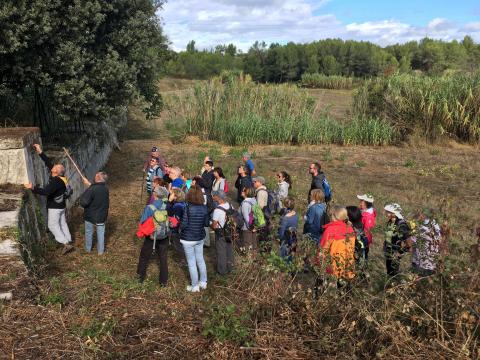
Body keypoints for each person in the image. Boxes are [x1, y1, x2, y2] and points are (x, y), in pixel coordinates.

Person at [24, 143, 73, 255]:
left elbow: (45, 192)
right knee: (62, 223)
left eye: (55, 167)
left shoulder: (56, 181)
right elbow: (48, 163)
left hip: (55, 207)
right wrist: (40, 151)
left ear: (56, 172)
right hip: (61, 206)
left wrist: (33, 188)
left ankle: (65, 243)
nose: (54, 166)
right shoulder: (61, 177)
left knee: (52, 225)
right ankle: (68, 239)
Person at [136, 187, 170, 286]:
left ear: (155, 194)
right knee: (163, 258)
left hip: (151, 236)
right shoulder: (167, 205)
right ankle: (163, 282)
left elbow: (142, 222)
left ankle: (140, 277)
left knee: (144, 257)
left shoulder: (150, 207)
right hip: (164, 235)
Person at [179, 185, 209, 292]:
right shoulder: (204, 208)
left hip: (188, 238)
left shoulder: (187, 208)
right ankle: (203, 282)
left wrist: (178, 225)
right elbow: (206, 223)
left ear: (189, 195)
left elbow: (183, 224)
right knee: (200, 260)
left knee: (191, 263)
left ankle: (195, 285)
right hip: (199, 237)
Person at [318, 206, 356, 285]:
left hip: (333, 266)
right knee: (342, 287)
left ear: (333, 216)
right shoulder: (350, 228)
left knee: (329, 287)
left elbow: (323, 249)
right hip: (347, 264)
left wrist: (319, 263)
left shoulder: (330, 230)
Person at [79, 172, 109, 255]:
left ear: (98, 178)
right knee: (101, 233)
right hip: (101, 215)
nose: (94, 175)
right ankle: (100, 252)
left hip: (90, 215)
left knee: (88, 232)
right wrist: (89, 185)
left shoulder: (92, 189)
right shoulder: (105, 188)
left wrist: (87, 190)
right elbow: (95, 189)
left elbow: (84, 202)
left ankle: (88, 249)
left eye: (96, 175)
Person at [411, 208, 442, 276]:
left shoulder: (419, 227)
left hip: (420, 262)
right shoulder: (435, 225)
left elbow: (411, 243)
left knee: (417, 281)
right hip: (432, 262)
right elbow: (439, 241)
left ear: (423, 215)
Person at [384, 203, 411, 277]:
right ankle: (390, 286)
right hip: (388, 251)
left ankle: (394, 285)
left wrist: (400, 252)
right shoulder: (390, 222)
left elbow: (408, 243)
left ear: (394, 213)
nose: (386, 213)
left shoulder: (401, 224)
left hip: (395, 252)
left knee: (393, 273)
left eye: (388, 211)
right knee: (389, 271)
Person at [211, 190, 234, 275]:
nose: (213, 197)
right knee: (229, 249)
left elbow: (214, 225)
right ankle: (230, 267)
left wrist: (211, 226)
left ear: (218, 197)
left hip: (221, 232)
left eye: (214, 195)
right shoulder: (230, 205)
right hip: (230, 231)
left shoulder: (217, 209)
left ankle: (222, 271)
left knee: (221, 252)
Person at [346, 206, 369, 277]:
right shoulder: (360, 224)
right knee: (361, 265)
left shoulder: (351, 228)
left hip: (356, 251)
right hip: (362, 250)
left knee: (356, 267)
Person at [166, 188, 186, 264]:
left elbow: (169, 213)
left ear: (176, 196)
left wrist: (169, 202)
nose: (170, 195)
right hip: (180, 227)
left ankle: (183, 259)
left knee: (178, 244)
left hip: (177, 229)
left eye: (172, 194)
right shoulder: (182, 203)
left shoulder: (177, 206)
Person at [239, 187, 258, 252]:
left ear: (246, 193)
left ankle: (248, 258)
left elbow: (246, 217)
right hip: (254, 224)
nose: (241, 192)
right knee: (253, 243)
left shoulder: (245, 203)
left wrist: (250, 227)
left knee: (247, 244)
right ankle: (254, 257)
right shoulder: (254, 200)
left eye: (243, 191)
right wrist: (254, 226)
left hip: (247, 227)